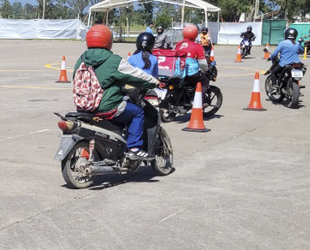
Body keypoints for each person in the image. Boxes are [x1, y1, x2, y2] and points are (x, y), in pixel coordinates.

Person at [73, 25, 160, 160]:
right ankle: (134, 148)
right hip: (107, 107)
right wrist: (154, 82)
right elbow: (136, 76)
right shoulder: (113, 60)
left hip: (84, 107)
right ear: (108, 41)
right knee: (137, 112)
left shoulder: (81, 59)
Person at [173, 24, 210, 93]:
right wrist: (206, 69)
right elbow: (202, 63)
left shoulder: (178, 44)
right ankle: (199, 98)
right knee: (205, 82)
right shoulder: (197, 46)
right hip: (191, 73)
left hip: (178, 72)